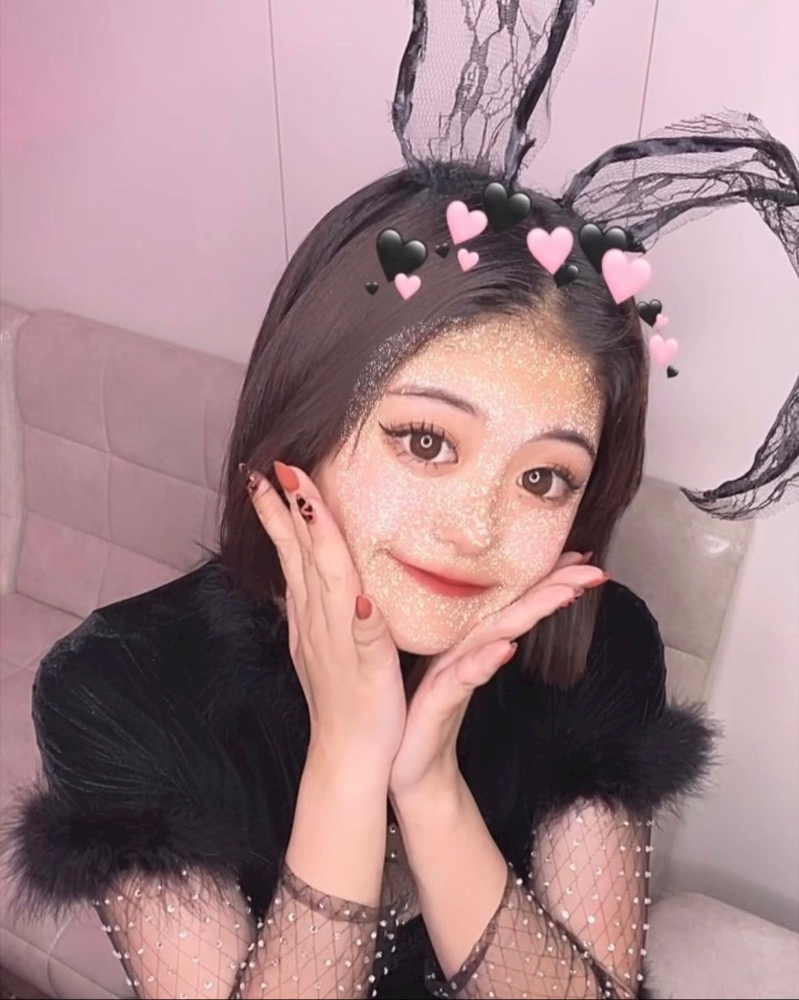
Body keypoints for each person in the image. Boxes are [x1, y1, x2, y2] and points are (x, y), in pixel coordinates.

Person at [5, 2, 798, 999]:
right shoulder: (121, 684)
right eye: (425, 441)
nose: (476, 528)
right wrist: (348, 759)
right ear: (298, 426)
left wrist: (430, 789)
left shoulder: (599, 647)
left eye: (543, 477)